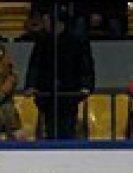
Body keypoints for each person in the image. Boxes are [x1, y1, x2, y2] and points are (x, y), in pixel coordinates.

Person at [24, 7, 95, 140]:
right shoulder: (42, 39)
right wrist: (30, 85)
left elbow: (85, 66)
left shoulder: (76, 40)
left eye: (46, 21)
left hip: (69, 92)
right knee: (49, 130)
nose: (43, 24)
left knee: (67, 129)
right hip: (47, 93)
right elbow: (35, 65)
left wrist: (86, 85)